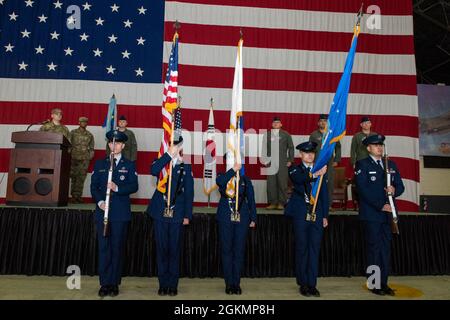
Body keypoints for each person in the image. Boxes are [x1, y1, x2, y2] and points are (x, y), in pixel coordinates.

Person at [354, 134, 404, 296]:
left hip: (389, 215)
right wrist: (380, 205)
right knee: (374, 250)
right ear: (368, 148)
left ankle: (384, 283)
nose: (379, 148)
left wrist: (395, 190)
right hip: (372, 214)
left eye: (381, 145)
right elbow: (362, 190)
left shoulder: (391, 164)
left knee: (385, 250)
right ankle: (374, 284)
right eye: (375, 145)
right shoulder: (362, 164)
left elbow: (400, 186)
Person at [90, 130, 139, 297]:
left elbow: (134, 186)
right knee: (104, 249)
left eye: (118, 143)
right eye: (112, 142)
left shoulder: (129, 164)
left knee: (117, 249)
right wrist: (100, 202)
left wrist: (117, 188)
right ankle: (104, 283)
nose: (114, 145)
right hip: (103, 213)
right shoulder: (100, 164)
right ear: (108, 144)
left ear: (123, 145)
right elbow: (94, 187)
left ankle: (114, 283)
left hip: (120, 214)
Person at [147, 136, 194, 297]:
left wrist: (187, 215)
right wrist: (168, 155)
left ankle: (172, 284)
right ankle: (162, 284)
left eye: (176, 145)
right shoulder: (161, 161)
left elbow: (189, 192)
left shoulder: (185, 166)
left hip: (178, 213)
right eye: (171, 144)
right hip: (160, 211)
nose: (174, 147)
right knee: (161, 249)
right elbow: (153, 171)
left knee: (174, 250)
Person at [284, 141, 328, 297]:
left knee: (314, 250)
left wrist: (325, 215)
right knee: (302, 249)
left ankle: (312, 283)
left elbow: (324, 194)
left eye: (312, 153)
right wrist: (316, 174)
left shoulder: (320, 170)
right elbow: (300, 180)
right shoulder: (295, 169)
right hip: (301, 213)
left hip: (317, 214)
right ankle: (303, 283)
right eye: (307, 153)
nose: (310, 155)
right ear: (301, 155)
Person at [216, 155, 257, 295]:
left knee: (238, 251)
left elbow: (251, 199)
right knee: (227, 250)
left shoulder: (245, 180)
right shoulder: (223, 176)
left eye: (237, 162)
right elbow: (220, 183)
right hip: (225, 217)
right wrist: (232, 170)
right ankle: (228, 283)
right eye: (232, 161)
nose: (235, 163)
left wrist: (253, 218)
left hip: (242, 218)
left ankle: (236, 283)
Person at [261, 116, 294, 210]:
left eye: (278, 122)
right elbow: (264, 148)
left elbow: (291, 147)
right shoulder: (267, 134)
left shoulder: (286, 134)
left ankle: (281, 203)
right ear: (272, 124)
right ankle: (272, 202)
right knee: (271, 184)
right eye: (274, 122)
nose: (276, 124)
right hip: (270, 162)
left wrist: (290, 160)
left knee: (282, 183)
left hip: (282, 162)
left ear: (281, 124)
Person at [309, 114, 341, 209]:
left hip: (329, 162)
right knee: (316, 182)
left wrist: (336, 159)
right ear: (318, 123)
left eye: (325, 121)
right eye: (321, 121)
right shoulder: (314, 135)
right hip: (317, 163)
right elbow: (310, 148)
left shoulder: (332, 134)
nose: (323, 123)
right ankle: (317, 203)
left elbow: (338, 147)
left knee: (329, 183)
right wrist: (311, 161)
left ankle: (328, 204)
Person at [69, 117, 95, 203]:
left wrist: (90, 155)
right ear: (79, 122)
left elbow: (91, 147)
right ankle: (73, 196)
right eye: (82, 122)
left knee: (81, 178)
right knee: (74, 177)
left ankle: (78, 196)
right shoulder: (73, 133)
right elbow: (69, 144)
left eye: (85, 122)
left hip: (84, 159)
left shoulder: (89, 135)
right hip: (74, 158)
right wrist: (68, 154)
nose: (83, 123)